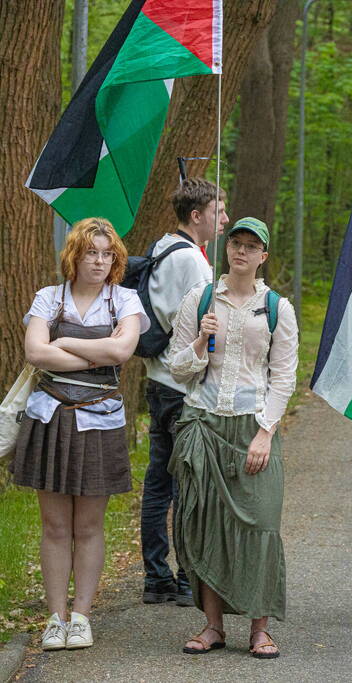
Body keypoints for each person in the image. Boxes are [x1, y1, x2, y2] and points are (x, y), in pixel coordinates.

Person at [8, 218, 148, 651]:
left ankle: (82, 617)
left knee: (88, 526)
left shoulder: (124, 300)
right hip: (50, 420)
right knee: (54, 525)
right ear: (75, 255)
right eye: (92, 252)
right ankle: (56, 618)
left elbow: (122, 351)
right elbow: (35, 352)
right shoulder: (49, 298)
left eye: (108, 254)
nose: (100, 261)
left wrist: (64, 346)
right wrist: (95, 354)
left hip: (99, 422)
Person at [166, 217, 298, 659]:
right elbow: (177, 369)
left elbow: (283, 378)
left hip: (251, 424)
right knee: (205, 525)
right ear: (227, 249)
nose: (241, 251)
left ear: (263, 256)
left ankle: (260, 628)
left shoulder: (277, 307)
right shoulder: (199, 300)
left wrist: (265, 433)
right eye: (235, 243)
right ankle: (212, 626)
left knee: (260, 523)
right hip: (204, 422)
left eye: (251, 246)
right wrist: (201, 342)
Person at [140, 177, 227, 607]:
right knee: (187, 484)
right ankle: (185, 577)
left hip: (157, 379)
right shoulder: (192, 261)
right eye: (219, 211)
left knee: (159, 482)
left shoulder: (162, 247)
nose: (225, 220)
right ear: (197, 216)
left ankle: (156, 576)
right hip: (182, 385)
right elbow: (201, 324)